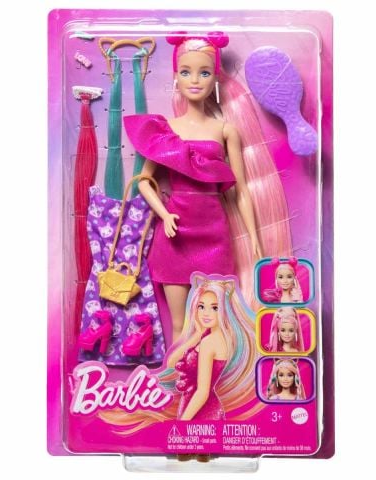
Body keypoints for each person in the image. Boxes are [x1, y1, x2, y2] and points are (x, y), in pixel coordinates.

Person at [124, 32, 292, 342]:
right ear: (175, 76)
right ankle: (176, 373)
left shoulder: (226, 130)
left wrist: (255, 237)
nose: (194, 80)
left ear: (215, 77)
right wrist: (164, 214)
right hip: (176, 232)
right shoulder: (165, 129)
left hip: (214, 232)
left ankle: (212, 370)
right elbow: (144, 182)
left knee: (215, 325)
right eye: (186, 72)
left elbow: (240, 190)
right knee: (179, 325)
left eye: (203, 72)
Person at [99, 273, 260, 430]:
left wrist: (182, 423)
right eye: (201, 306)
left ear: (225, 310)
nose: (206, 313)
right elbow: (171, 363)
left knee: (194, 446)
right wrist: (197, 335)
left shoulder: (209, 343)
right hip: (195, 406)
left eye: (214, 308)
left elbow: (202, 392)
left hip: (199, 410)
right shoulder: (209, 338)